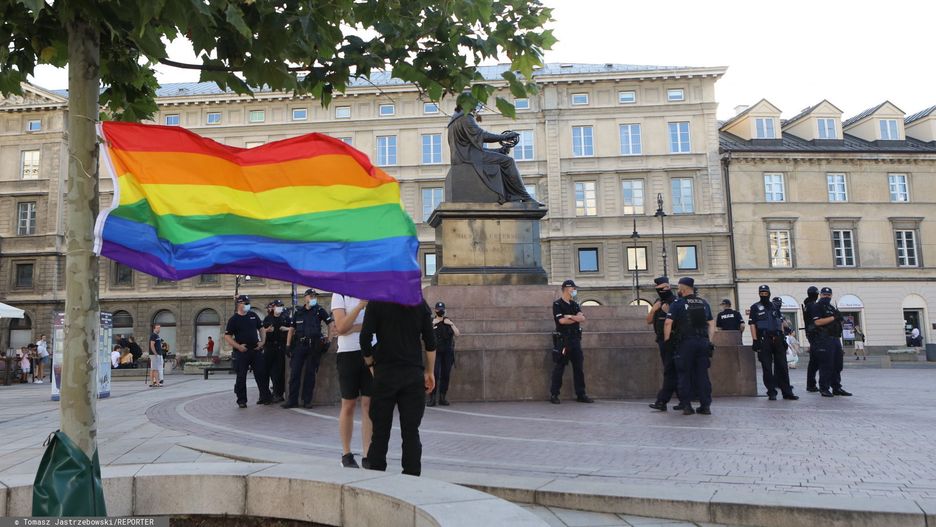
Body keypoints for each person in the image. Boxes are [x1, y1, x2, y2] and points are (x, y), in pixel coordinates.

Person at [360, 299, 436, 476]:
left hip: (384, 374)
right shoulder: (418, 302)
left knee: (379, 433)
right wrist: (430, 371)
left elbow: (365, 338)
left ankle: (376, 479)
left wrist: (370, 364)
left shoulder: (377, 301)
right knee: (411, 432)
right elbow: (430, 341)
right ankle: (411, 479)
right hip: (413, 374)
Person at [447, 102, 540, 204]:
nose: (475, 110)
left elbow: (471, 148)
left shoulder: (454, 120)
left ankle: (513, 195)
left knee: (502, 157)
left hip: (463, 156)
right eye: (474, 106)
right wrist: (504, 137)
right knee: (508, 161)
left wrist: (498, 151)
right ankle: (524, 196)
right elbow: (482, 135)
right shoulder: (465, 117)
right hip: (468, 158)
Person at [663, 277, 715, 415]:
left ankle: (686, 405)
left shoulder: (678, 303)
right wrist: (709, 340)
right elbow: (711, 323)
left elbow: (668, 323)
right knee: (702, 375)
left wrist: (667, 341)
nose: (677, 290)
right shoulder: (703, 303)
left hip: (685, 343)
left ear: (684, 289)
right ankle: (705, 406)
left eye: (679, 288)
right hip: (703, 343)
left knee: (684, 374)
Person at [331, 293, 372, 468]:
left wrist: (353, 327)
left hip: (371, 351)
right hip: (348, 354)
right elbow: (340, 327)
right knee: (348, 404)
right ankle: (346, 454)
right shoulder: (339, 293)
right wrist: (360, 306)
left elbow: (377, 325)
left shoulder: (373, 292)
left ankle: (368, 454)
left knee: (369, 404)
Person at [283, 289, 333, 409]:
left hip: (314, 346)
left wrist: (329, 341)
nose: (313, 298)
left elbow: (331, 324)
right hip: (300, 345)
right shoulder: (299, 312)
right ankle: (292, 400)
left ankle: (307, 400)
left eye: (314, 296)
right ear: (305, 297)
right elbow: (291, 329)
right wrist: (288, 345)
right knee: (295, 373)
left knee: (310, 374)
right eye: (311, 296)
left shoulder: (319, 310)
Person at [749, 285, 798, 401]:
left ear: (769, 293)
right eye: (762, 293)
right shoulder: (755, 307)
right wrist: (755, 340)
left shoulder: (774, 307)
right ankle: (771, 392)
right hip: (764, 339)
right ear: (759, 294)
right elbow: (752, 324)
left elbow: (780, 322)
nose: (764, 295)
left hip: (777, 338)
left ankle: (787, 392)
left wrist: (783, 338)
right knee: (767, 367)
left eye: (766, 293)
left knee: (782, 366)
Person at [549, 280, 594, 404]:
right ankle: (554, 394)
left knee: (578, 367)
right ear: (567, 289)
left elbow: (582, 318)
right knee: (560, 367)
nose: (574, 290)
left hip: (575, 340)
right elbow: (561, 321)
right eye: (573, 288)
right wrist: (575, 318)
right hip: (563, 341)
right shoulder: (557, 304)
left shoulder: (574, 304)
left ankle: (581, 394)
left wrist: (570, 316)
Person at [225, 294, 271, 408]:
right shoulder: (233, 319)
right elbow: (227, 336)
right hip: (242, 351)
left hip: (255, 350)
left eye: (248, 303)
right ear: (239, 304)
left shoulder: (253, 315)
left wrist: (262, 342)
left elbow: (261, 329)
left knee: (261, 374)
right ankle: (242, 400)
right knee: (241, 376)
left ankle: (265, 397)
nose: (247, 305)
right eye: (245, 303)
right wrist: (238, 346)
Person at [809, 287, 853, 398]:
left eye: (828, 295)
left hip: (835, 338)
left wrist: (839, 319)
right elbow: (818, 322)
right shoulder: (816, 306)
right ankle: (824, 388)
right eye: (824, 295)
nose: (826, 297)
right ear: (820, 295)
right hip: (824, 338)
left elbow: (837, 320)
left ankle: (836, 387)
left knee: (838, 365)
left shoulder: (831, 307)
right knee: (826, 365)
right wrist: (834, 318)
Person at [647, 277, 680, 412]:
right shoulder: (658, 302)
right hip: (661, 340)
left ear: (668, 287)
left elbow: (679, 321)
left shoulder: (675, 301)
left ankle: (662, 400)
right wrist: (653, 310)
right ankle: (684, 400)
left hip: (672, 341)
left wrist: (668, 312)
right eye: (658, 288)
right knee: (673, 371)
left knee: (670, 371)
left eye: (662, 288)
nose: (660, 290)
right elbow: (648, 321)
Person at [427, 301, 459, 407]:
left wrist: (451, 324)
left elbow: (457, 333)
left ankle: (442, 397)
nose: (441, 311)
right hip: (436, 352)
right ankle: (432, 397)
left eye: (442, 309)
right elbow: (426, 334)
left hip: (447, 352)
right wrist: (433, 323)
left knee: (446, 374)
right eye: (439, 309)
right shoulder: (432, 321)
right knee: (435, 374)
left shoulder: (448, 321)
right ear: (435, 310)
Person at [262, 300, 290, 403]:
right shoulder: (268, 318)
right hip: (269, 347)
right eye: (277, 306)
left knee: (279, 372)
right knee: (266, 371)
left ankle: (278, 394)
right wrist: (267, 330)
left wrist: (286, 329)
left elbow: (293, 329)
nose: (279, 308)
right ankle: (265, 395)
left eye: (281, 306)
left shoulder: (286, 318)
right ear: (273, 307)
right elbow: (261, 331)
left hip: (281, 347)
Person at [801, 286, 821, 392]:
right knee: (815, 360)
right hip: (815, 334)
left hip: (811, 334)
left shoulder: (808, 305)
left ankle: (811, 383)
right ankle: (811, 384)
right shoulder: (812, 306)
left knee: (814, 360)